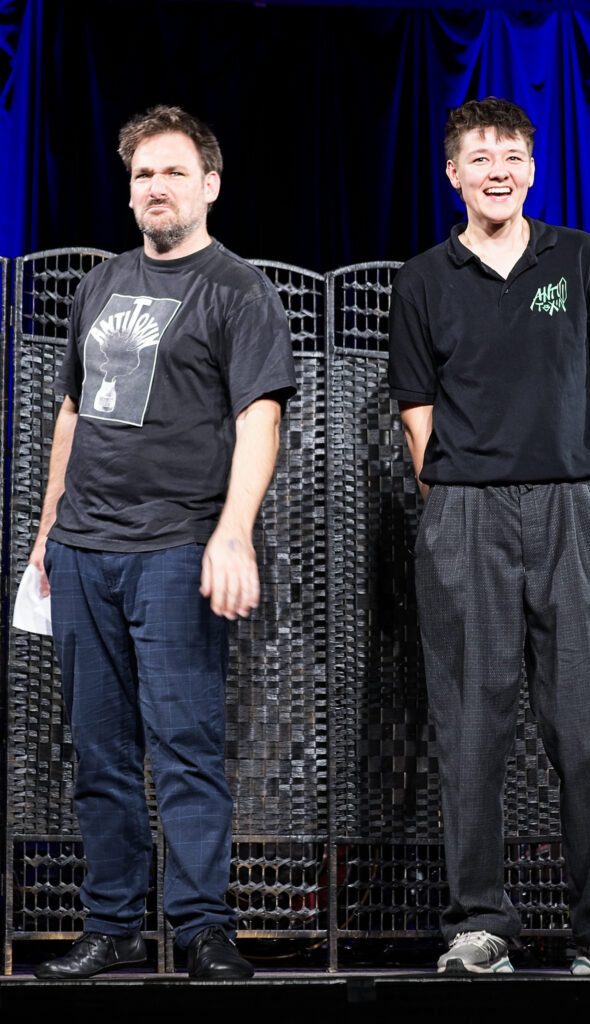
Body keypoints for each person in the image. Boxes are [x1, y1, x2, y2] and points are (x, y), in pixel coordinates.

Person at [388, 97, 590, 977]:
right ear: (452, 174)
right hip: (466, 513)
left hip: (576, 507)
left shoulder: (576, 258)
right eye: (478, 156)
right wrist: (453, 486)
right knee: (471, 724)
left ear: (531, 171)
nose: (496, 168)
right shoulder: (425, 276)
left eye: (511, 154)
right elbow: (416, 408)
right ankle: (479, 924)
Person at [30, 105, 296, 980]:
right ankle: (110, 926)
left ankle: (201, 927)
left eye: (173, 172)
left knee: (183, 746)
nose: (156, 187)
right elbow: (72, 413)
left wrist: (232, 533)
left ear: (209, 186)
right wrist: (43, 538)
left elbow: (260, 418)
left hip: (175, 548)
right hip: (82, 553)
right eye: (143, 173)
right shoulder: (100, 284)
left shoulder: (238, 290)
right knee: (98, 752)